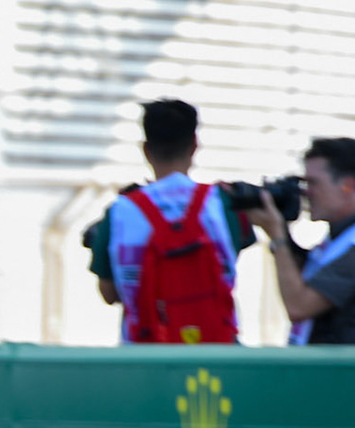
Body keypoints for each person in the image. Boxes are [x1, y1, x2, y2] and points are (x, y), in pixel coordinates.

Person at [85, 99, 248, 343]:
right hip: (216, 351)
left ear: (146, 150)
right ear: (194, 145)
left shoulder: (120, 211)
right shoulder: (223, 204)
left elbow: (109, 293)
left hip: (145, 358)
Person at [245, 137, 355, 345]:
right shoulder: (338, 238)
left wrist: (277, 235)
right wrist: (281, 230)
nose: (305, 192)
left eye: (313, 183)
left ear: (348, 186)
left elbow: (298, 306)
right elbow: (305, 279)